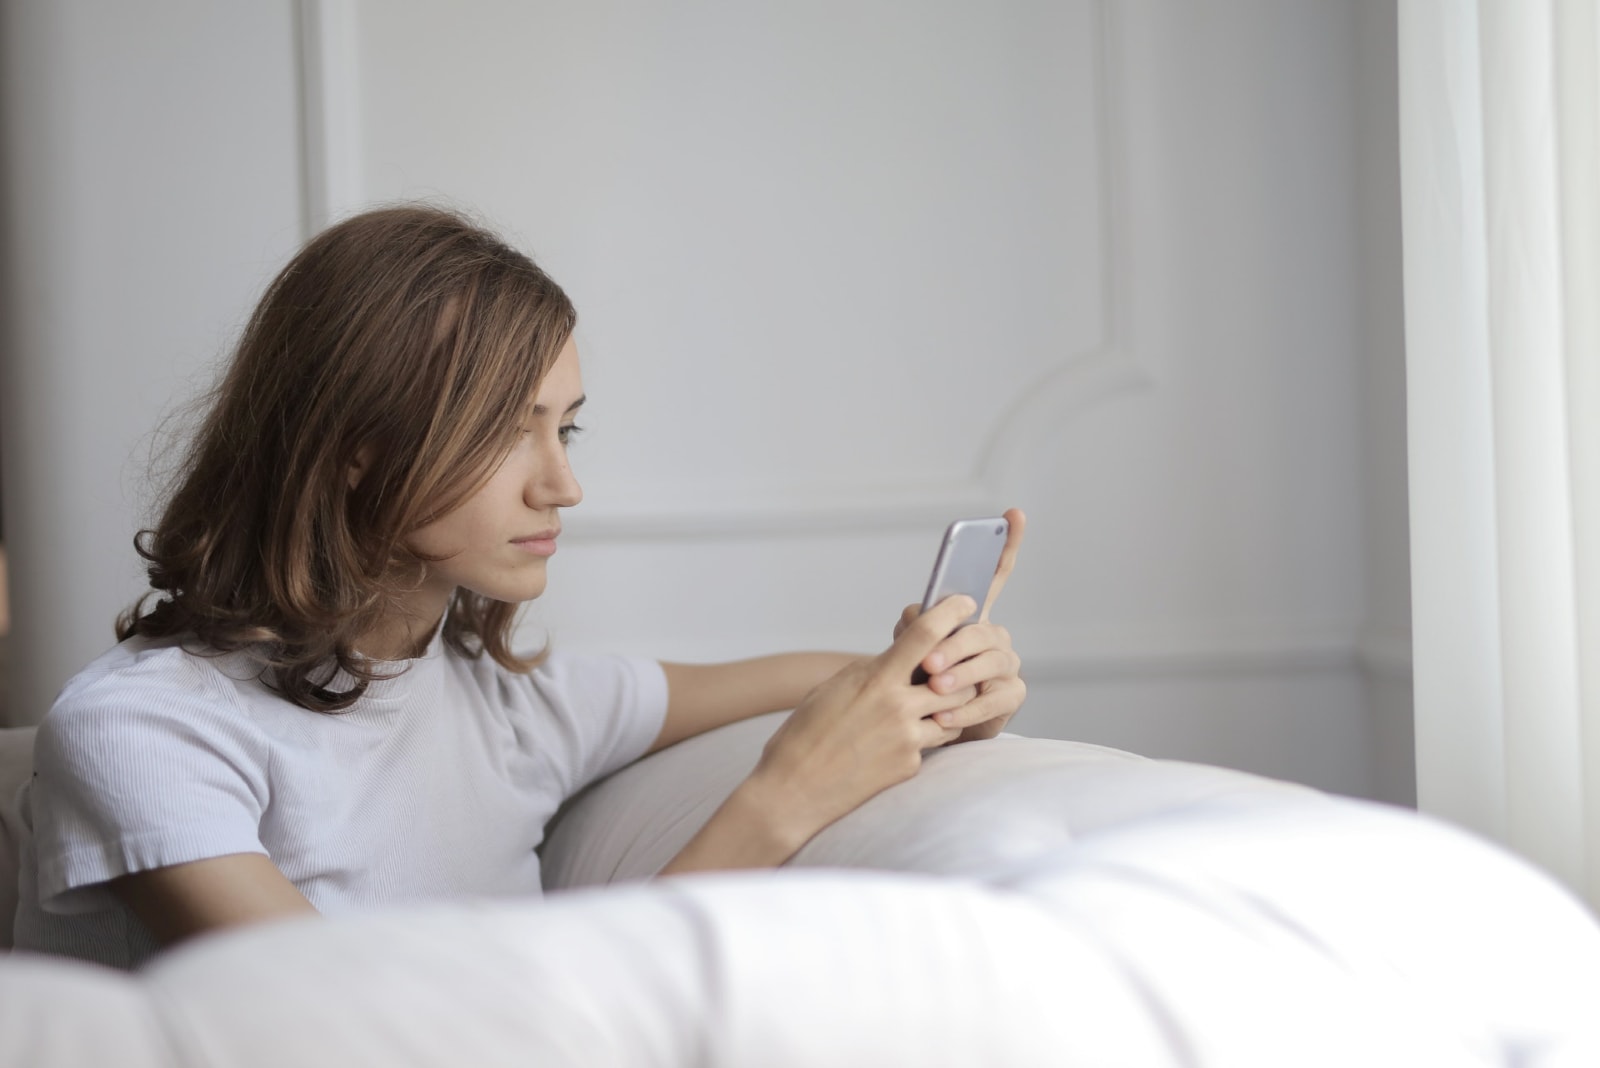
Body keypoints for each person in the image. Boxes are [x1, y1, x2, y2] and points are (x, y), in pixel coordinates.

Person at [10, 205, 1026, 969]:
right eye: (507, 429)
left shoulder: (514, 708)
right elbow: (355, 1041)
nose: (562, 484)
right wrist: (779, 800)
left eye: (565, 427)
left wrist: (939, 677)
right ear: (355, 445)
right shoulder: (144, 731)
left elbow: (802, 678)